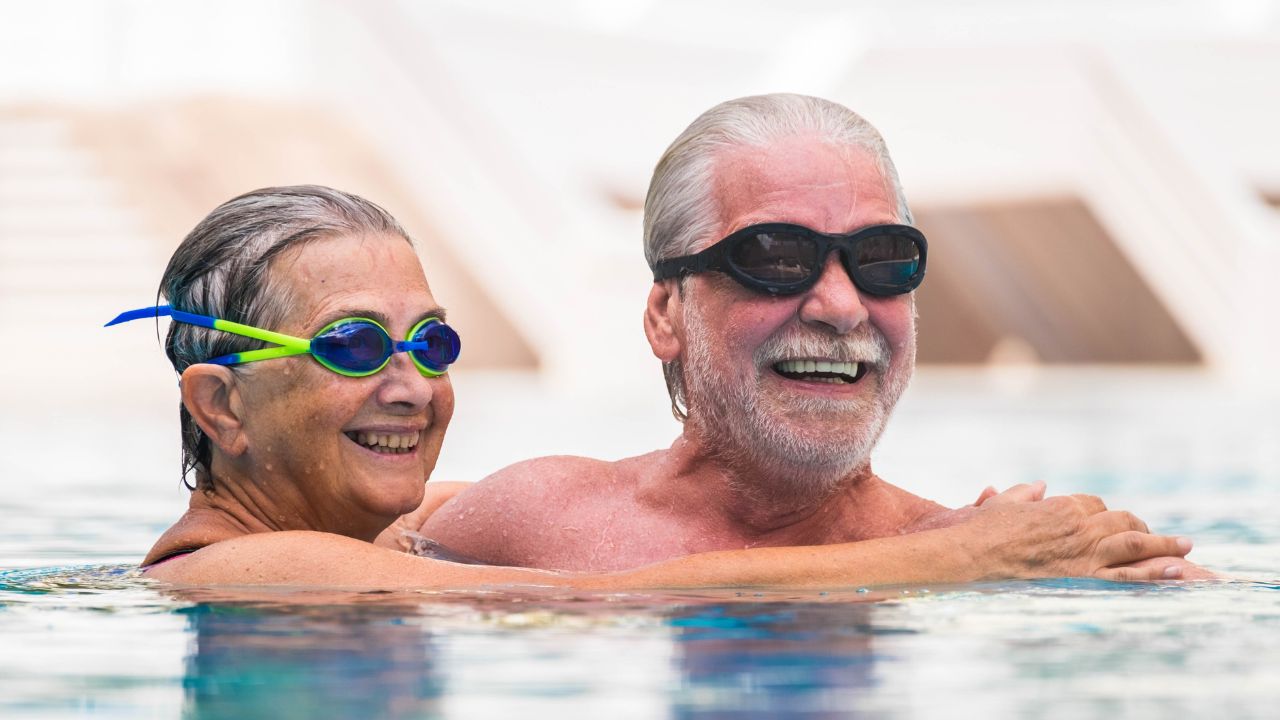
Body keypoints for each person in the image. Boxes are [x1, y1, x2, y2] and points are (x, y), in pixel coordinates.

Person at [120, 184, 1189, 589]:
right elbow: (594, 602)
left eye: (434, 347)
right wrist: (960, 557)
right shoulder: (233, 575)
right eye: (354, 347)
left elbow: (641, 508)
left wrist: (975, 522)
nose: (411, 386)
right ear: (220, 406)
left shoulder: (380, 525)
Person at [415, 94, 1204, 579]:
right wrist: (951, 565)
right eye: (776, 258)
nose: (841, 305)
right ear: (665, 316)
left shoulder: (1031, 561)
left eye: (881, 260)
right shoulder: (526, 523)